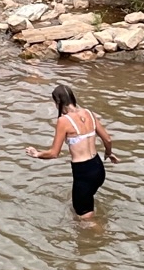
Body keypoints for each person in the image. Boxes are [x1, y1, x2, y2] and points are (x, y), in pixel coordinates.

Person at [27, 82, 117, 221]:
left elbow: (53, 153)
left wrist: (37, 154)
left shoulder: (64, 121)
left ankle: (104, 237)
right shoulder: (89, 113)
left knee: (85, 220)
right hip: (98, 169)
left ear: (58, 102)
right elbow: (108, 140)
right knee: (80, 206)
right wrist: (109, 153)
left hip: (83, 173)